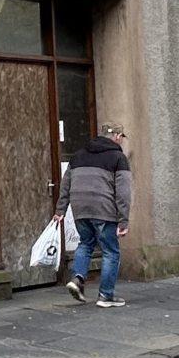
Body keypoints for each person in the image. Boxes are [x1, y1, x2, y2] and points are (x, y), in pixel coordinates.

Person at [53, 121, 132, 308]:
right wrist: (123, 220)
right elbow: (123, 192)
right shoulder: (118, 158)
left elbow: (66, 184)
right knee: (110, 251)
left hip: (80, 208)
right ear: (118, 137)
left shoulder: (78, 155)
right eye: (121, 138)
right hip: (104, 208)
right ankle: (106, 296)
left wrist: (60, 210)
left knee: (85, 243)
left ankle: (78, 278)